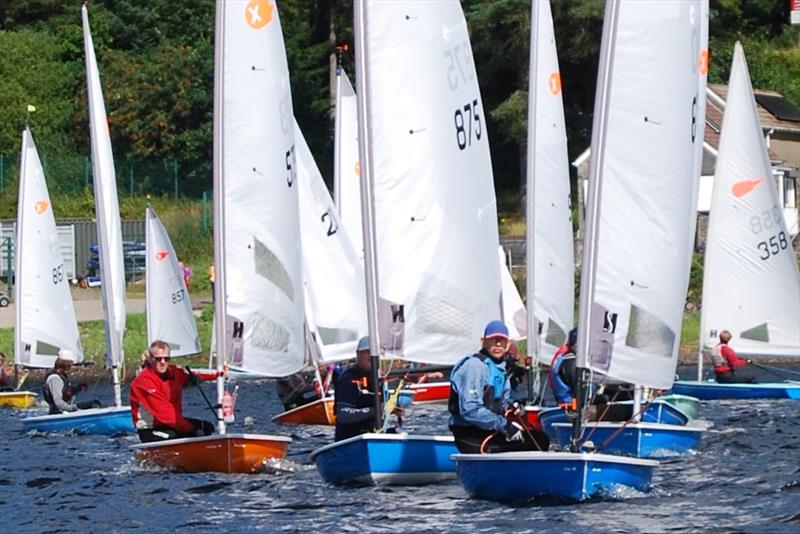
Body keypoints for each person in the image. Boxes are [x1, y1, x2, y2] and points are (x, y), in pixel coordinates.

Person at [448, 320, 550, 453]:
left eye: (501, 340)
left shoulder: (501, 369)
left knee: (540, 438)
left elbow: (501, 403)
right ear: (483, 342)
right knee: (536, 443)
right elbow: (470, 410)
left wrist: (512, 406)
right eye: (492, 340)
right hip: (469, 434)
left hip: (487, 430)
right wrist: (505, 425)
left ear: (507, 345)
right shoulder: (474, 366)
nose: (497, 344)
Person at [129, 340, 220, 443]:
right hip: (151, 429)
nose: (163, 362)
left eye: (166, 359)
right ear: (150, 359)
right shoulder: (143, 382)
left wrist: (218, 374)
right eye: (158, 359)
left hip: (172, 424)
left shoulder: (175, 372)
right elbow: (167, 415)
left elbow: (194, 375)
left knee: (207, 428)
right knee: (175, 436)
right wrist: (192, 430)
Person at [333, 336, 402, 441]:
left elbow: (382, 409)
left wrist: (392, 410)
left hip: (374, 435)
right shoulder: (348, 379)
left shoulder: (378, 379)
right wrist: (375, 410)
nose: (371, 355)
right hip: (352, 439)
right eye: (367, 351)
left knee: (401, 433)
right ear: (358, 354)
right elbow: (343, 415)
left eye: (374, 352)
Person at [42, 350, 101, 414]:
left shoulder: (62, 376)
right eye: (71, 363)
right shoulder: (55, 379)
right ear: (66, 363)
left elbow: (67, 393)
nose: (72, 365)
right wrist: (73, 408)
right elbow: (58, 402)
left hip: (64, 410)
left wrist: (81, 386)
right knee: (94, 405)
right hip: (58, 412)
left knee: (95, 403)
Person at [549, 327, 579, 408]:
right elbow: (579, 389)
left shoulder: (563, 358)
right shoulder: (571, 362)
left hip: (563, 403)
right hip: (570, 406)